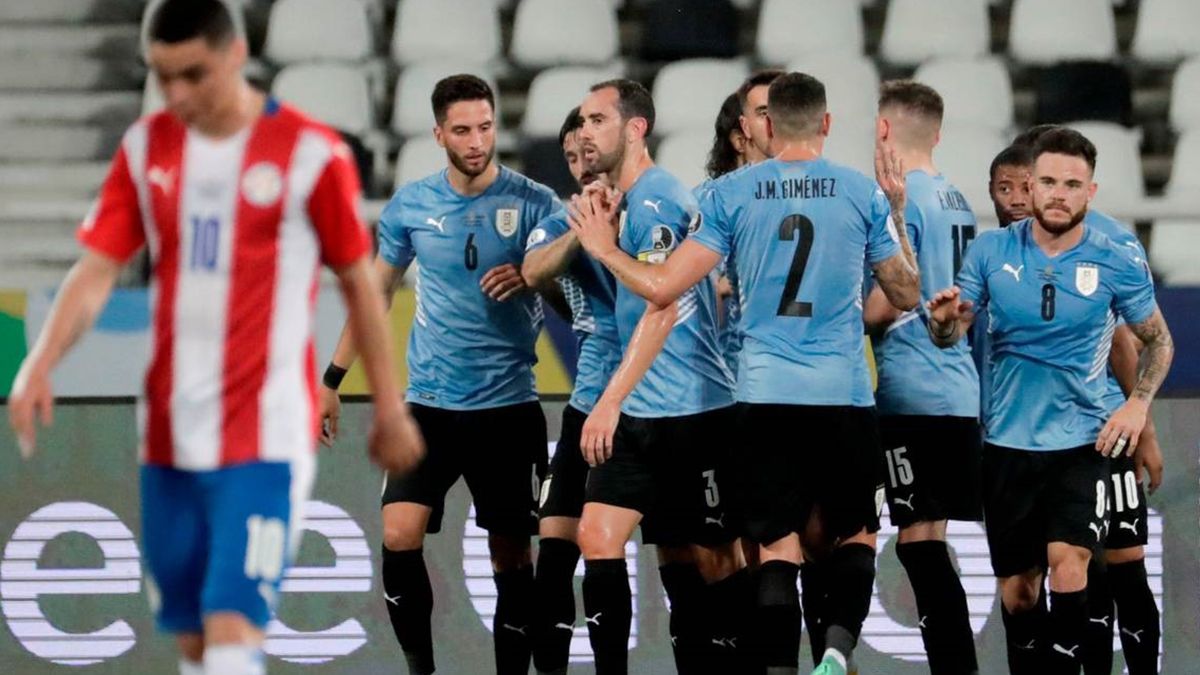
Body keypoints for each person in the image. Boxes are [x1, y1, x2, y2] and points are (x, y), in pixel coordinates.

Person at [7, 2, 424, 674]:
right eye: (162, 77)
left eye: (192, 75)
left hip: (265, 433)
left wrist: (389, 404)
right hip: (170, 433)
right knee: (197, 642)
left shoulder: (310, 153)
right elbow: (97, 270)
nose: (176, 94)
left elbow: (359, 281)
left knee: (232, 631)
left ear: (234, 56)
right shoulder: (148, 148)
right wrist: (39, 361)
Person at [571, 71, 921, 675]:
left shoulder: (729, 195)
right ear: (827, 124)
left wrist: (603, 248)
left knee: (775, 548)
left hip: (761, 398)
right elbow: (907, 293)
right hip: (843, 394)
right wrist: (895, 209)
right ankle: (836, 651)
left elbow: (663, 288)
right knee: (856, 536)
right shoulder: (861, 192)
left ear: (766, 125)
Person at [317, 75, 562, 675]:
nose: (477, 141)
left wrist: (535, 275)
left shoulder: (534, 202)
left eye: (485, 127)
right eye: (462, 130)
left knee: (511, 558)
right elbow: (375, 295)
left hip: (508, 407)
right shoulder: (412, 205)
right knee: (399, 534)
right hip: (427, 407)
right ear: (437, 134)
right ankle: (420, 668)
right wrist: (331, 379)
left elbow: (566, 293)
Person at [927, 128, 1174, 674]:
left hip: (1084, 439)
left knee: (1072, 563)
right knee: (1019, 592)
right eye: (1047, 182)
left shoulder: (1115, 254)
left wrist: (1137, 409)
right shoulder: (991, 251)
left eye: (1071, 183)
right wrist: (942, 322)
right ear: (1031, 186)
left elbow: (1157, 340)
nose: (1058, 193)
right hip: (1007, 445)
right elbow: (952, 329)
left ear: (1090, 190)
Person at [568, 79, 747, 675]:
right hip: (644, 411)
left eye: (598, 120)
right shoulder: (624, 204)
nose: (586, 130)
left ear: (635, 128)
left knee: (713, 560)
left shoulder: (658, 199)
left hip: (695, 411)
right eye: (583, 121)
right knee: (597, 535)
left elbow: (662, 304)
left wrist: (607, 400)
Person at [997, 127, 1165, 675]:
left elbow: (1125, 340)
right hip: (1022, 442)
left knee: (1121, 566)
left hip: (1102, 430)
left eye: (1035, 184)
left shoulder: (1111, 246)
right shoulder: (1001, 255)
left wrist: (1144, 429)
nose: (1022, 197)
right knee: (1044, 580)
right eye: (1013, 187)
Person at [863, 81, 982, 674]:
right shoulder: (958, 199)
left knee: (918, 543)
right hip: (958, 390)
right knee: (926, 538)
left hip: (914, 390)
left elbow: (888, 304)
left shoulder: (900, 202)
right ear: (936, 133)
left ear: (883, 130)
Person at [520, 107, 621, 675]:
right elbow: (536, 272)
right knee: (555, 547)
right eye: (571, 156)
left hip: (651, 405)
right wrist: (584, 236)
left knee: (695, 559)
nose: (582, 164)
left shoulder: (646, 208)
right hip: (587, 404)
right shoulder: (561, 223)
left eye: (589, 151)